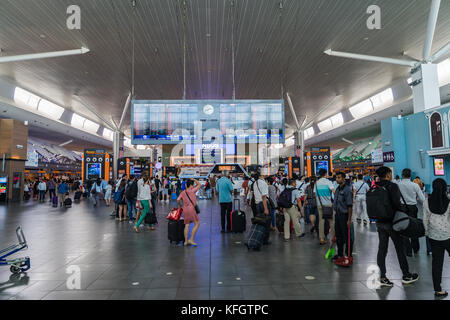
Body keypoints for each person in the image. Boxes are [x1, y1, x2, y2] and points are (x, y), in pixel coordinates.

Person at [374, 166, 419, 287]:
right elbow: (397, 204)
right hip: (392, 223)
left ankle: (382, 276)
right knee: (400, 248)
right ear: (388, 175)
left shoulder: (375, 186)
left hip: (380, 222)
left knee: (382, 249)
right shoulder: (392, 186)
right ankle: (406, 275)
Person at [423, 178, 450, 297]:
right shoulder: (448, 202)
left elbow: (425, 220)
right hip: (448, 235)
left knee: (437, 263)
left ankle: (438, 289)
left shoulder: (426, 201)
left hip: (434, 237)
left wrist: (428, 233)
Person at [397, 168, 425, 257]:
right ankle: (415, 248)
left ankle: (408, 251)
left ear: (402, 175)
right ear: (410, 175)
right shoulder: (415, 185)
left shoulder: (398, 185)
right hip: (412, 208)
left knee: (404, 228)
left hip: (402, 208)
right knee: (414, 227)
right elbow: (422, 199)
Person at [333, 172, 354, 261]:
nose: (337, 179)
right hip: (337, 215)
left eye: (339, 178)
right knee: (339, 235)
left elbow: (350, 206)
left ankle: (348, 255)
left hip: (344, 215)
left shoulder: (347, 190)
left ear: (343, 178)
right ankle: (340, 254)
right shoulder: (337, 189)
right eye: (336, 178)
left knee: (347, 236)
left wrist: (349, 219)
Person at [248, 171, 271, 245]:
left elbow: (254, 195)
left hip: (257, 204)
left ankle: (260, 238)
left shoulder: (255, 183)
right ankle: (265, 240)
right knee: (267, 222)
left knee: (260, 222)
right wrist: (266, 208)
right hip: (263, 204)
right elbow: (264, 197)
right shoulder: (263, 183)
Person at [177, 179, 202, 246]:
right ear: (191, 185)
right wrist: (194, 179)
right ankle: (191, 239)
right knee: (197, 223)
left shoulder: (183, 192)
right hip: (192, 209)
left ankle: (185, 241)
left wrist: (180, 205)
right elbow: (199, 184)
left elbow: (178, 199)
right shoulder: (193, 190)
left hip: (185, 209)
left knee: (187, 225)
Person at [315, 169, 335, 245]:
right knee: (331, 221)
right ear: (325, 174)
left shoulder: (317, 183)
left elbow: (315, 194)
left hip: (320, 204)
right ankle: (333, 237)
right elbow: (334, 191)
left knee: (321, 221)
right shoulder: (328, 182)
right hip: (328, 204)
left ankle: (321, 238)